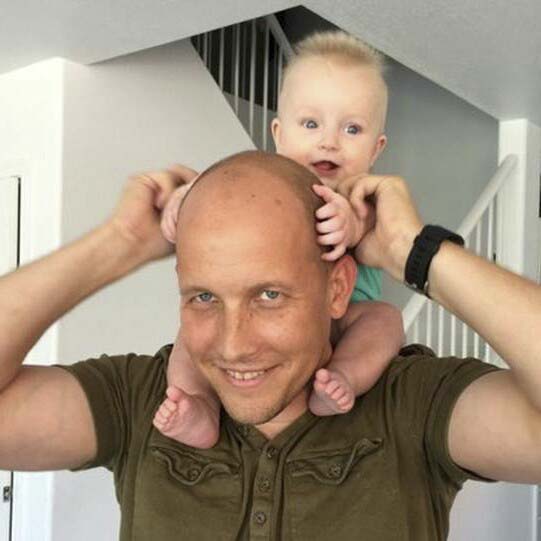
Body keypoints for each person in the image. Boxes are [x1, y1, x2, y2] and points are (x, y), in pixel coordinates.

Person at [1, 150, 541, 540]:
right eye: (204, 297)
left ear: (337, 289)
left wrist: (411, 251)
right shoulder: (142, 399)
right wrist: (118, 243)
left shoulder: (413, 404)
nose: (234, 345)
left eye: (269, 295)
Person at [154, 30, 405, 448]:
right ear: (279, 133)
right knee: (190, 336)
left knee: (386, 320)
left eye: (352, 129)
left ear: (376, 149)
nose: (329, 141)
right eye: (311, 124)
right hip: (277, 322)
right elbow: (220, 195)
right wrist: (186, 200)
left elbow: (376, 234)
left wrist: (350, 224)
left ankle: (343, 377)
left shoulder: (363, 199)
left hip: (346, 319)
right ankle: (197, 405)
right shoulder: (263, 189)